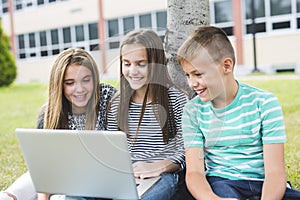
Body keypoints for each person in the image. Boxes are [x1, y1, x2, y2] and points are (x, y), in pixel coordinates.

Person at [177, 25, 300, 200]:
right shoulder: (192, 111)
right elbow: (195, 173)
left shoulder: (265, 103)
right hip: (223, 183)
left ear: (226, 66)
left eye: (198, 74)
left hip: (265, 183)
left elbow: (275, 173)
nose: (192, 83)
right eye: (188, 75)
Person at [66, 29, 187, 200]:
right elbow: (111, 149)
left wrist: (162, 166)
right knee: (75, 195)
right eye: (127, 63)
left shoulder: (176, 98)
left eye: (141, 64)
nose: (133, 71)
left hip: (162, 176)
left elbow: (187, 148)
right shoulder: (117, 103)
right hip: (122, 174)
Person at [0, 48, 116, 200]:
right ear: (59, 85)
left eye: (86, 80)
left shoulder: (108, 98)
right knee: (8, 196)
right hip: (56, 173)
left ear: (95, 79)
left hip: (94, 178)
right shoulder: (50, 113)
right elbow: (44, 167)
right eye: (70, 83)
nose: (79, 89)